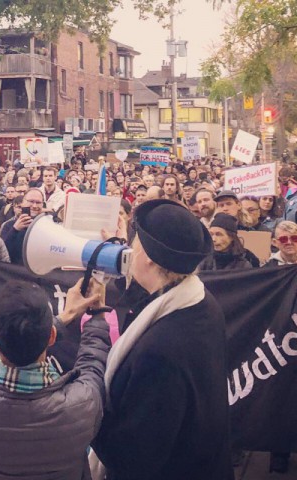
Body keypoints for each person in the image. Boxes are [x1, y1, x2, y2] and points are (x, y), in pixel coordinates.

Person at [90, 199, 231, 480]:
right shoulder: (200, 302)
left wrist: (85, 414)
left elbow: (132, 457)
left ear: (150, 257)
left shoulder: (159, 354)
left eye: (135, 243)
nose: (129, 250)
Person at [0, 276, 109, 480]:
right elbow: (92, 363)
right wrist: (96, 314)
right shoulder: (81, 402)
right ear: (51, 337)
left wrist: (63, 318)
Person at [0, 188, 45, 265]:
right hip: (16, 272)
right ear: (23, 202)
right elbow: (3, 252)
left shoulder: (47, 225)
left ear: (42, 204)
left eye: (38, 202)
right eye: (31, 201)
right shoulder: (8, 225)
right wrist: (15, 230)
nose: (34, 206)